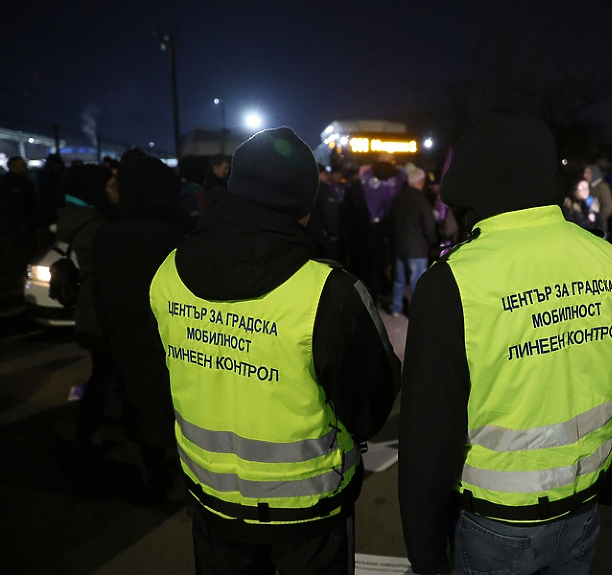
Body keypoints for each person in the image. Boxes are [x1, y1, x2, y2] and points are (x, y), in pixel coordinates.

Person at [398, 114, 612, 575]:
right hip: (584, 508)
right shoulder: (604, 256)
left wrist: (425, 549)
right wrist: (611, 483)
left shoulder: (454, 282)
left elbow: (429, 433)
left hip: (497, 523)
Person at [149, 127, 401, 574]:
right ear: (307, 204)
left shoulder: (168, 271)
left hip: (211, 498)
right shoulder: (329, 290)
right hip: (308, 510)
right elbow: (371, 404)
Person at [91, 153, 194, 501]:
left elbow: (100, 297)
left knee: (138, 404)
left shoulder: (107, 236)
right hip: (174, 338)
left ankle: (154, 474)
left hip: (126, 339)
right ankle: (193, 480)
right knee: (181, 408)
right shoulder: (178, 231)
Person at [56, 163, 126, 450]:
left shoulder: (83, 218)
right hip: (101, 311)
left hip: (93, 307)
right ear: (94, 191)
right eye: (111, 186)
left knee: (109, 372)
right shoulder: (97, 227)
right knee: (106, 374)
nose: (117, 191)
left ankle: (92, 431)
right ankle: (87, 436)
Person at [342, 153, 404, 307]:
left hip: (364, 233)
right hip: (388, 232)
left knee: (366, 266)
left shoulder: (361, 181)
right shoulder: (399, 180)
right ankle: (382, 294)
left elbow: (349, 211)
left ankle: (368, 297)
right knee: (382, 265)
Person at [389, 166, 438, 317]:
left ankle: (396, 307)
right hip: (417, 249)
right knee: (417, 282)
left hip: (400, 247)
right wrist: (434, 243)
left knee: (399, 280)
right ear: (421, 182)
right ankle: (415, 312)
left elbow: (392, 222)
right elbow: (429, 227)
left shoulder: (398, 198)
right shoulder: (421, 201)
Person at [307, 164, 345, 262]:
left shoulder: (305, 189)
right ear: (321, 174)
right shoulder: (324, 189)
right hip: (323, 234)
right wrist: (334, 232)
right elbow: (330, 212)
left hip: (310, 233)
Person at [584, 163, 612, 238]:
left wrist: (598, 218)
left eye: (588, 173)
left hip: (600, 229)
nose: (585, 175)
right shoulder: (590, 187)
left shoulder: (602, 187)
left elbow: (609, 208)